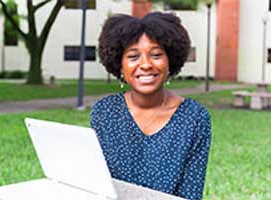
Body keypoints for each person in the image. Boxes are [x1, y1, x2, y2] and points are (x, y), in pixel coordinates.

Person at [90, 12, 211, 200]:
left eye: (156, 55)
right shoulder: (104, 112)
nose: (145, 64)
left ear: (170, 61)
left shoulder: (194, 118)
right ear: (120, 66)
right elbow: (97, 183)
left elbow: (191, 194)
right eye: (133, 56)